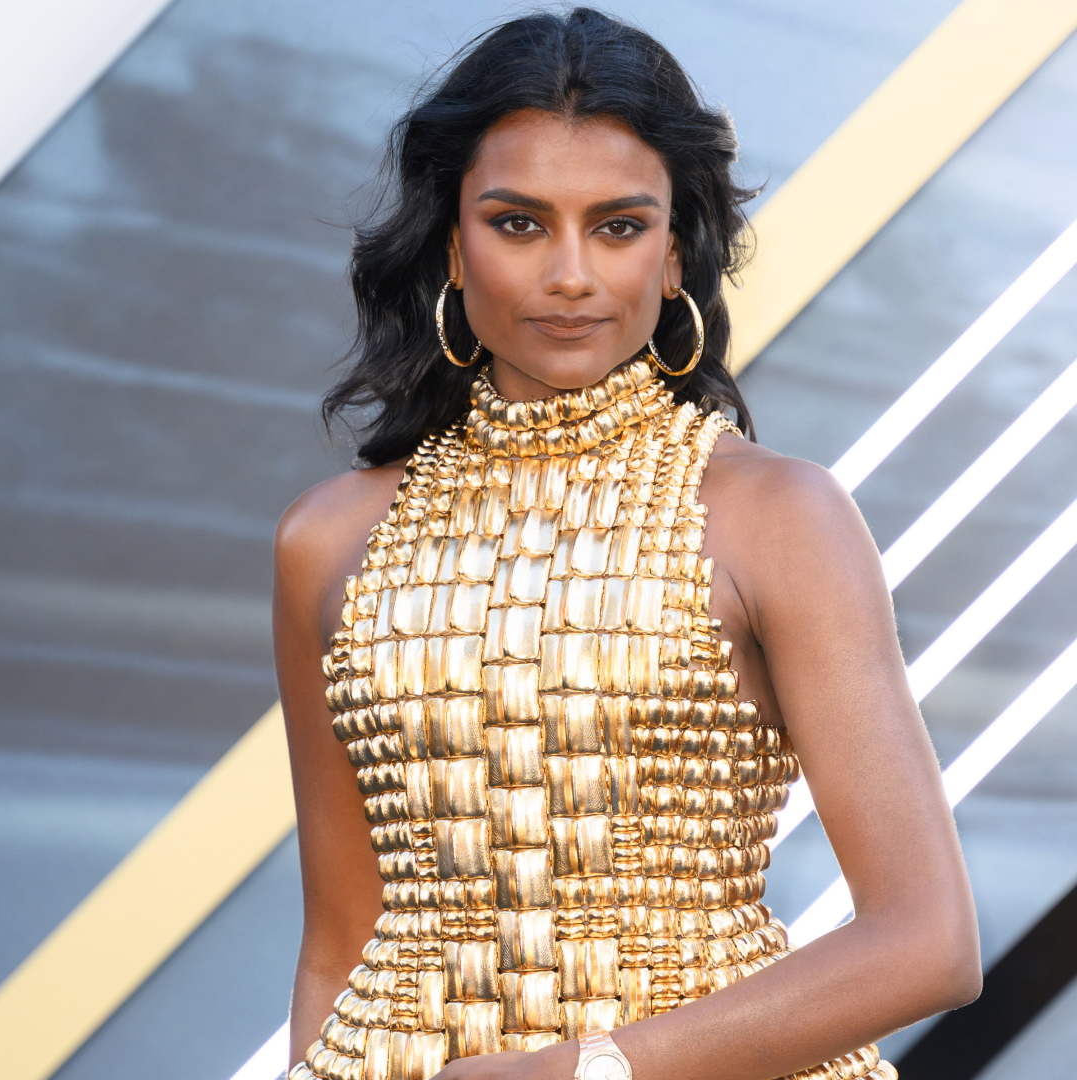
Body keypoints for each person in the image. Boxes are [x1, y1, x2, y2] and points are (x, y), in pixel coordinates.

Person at [273, 9, 981, 1080]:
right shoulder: (328, 540)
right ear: (451, 248)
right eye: (518, 224)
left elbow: (929, 945)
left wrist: (584, 1070)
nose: (570, 275)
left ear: (675, 250)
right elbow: (337, 948)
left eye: (616, 225)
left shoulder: (779, 515)